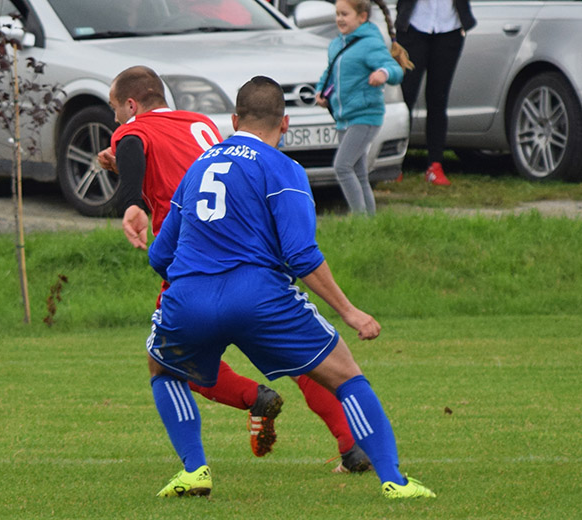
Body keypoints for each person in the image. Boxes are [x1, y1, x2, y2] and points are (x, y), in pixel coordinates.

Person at [146, 75, 436, 499]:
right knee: (345, 375)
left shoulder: (199, 167)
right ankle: (394, 480)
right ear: (284, 126)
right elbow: (301, 254)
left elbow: (159, 256)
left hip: (189, 296)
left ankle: (194, 471)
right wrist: (349, 311)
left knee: (162, 369)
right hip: (258, 296)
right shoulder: (284, 169)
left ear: (233, 120)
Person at [98, 65, 371, 472]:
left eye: (114, 108)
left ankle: (249, 403)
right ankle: (354, 444)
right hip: (253, 243)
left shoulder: (132, 130)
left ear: (132, 105)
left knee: (171, 363)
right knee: (303, 356)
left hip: (197, 259)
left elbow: (135, 153)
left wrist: (130, 200)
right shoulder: (198, 122)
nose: (115, 118)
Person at [315, 0, 407, 215]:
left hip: (365, 116)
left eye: (345, 14)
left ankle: (358, 219)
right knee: (358, 171)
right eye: (337, 14)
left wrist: (382, 73)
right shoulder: (337, 44)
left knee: (342, 166)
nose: (339, 19)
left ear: (362, 17)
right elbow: (329, 73)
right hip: (343, 117)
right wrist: (320, 91)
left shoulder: (370, 43)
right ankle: (369, 222)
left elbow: (394, 69)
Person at [395, 0, 476, 186]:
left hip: (449, 28)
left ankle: (435, 164)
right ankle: (395, 162)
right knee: (406, 96)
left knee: (438, 98)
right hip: (414, 26)